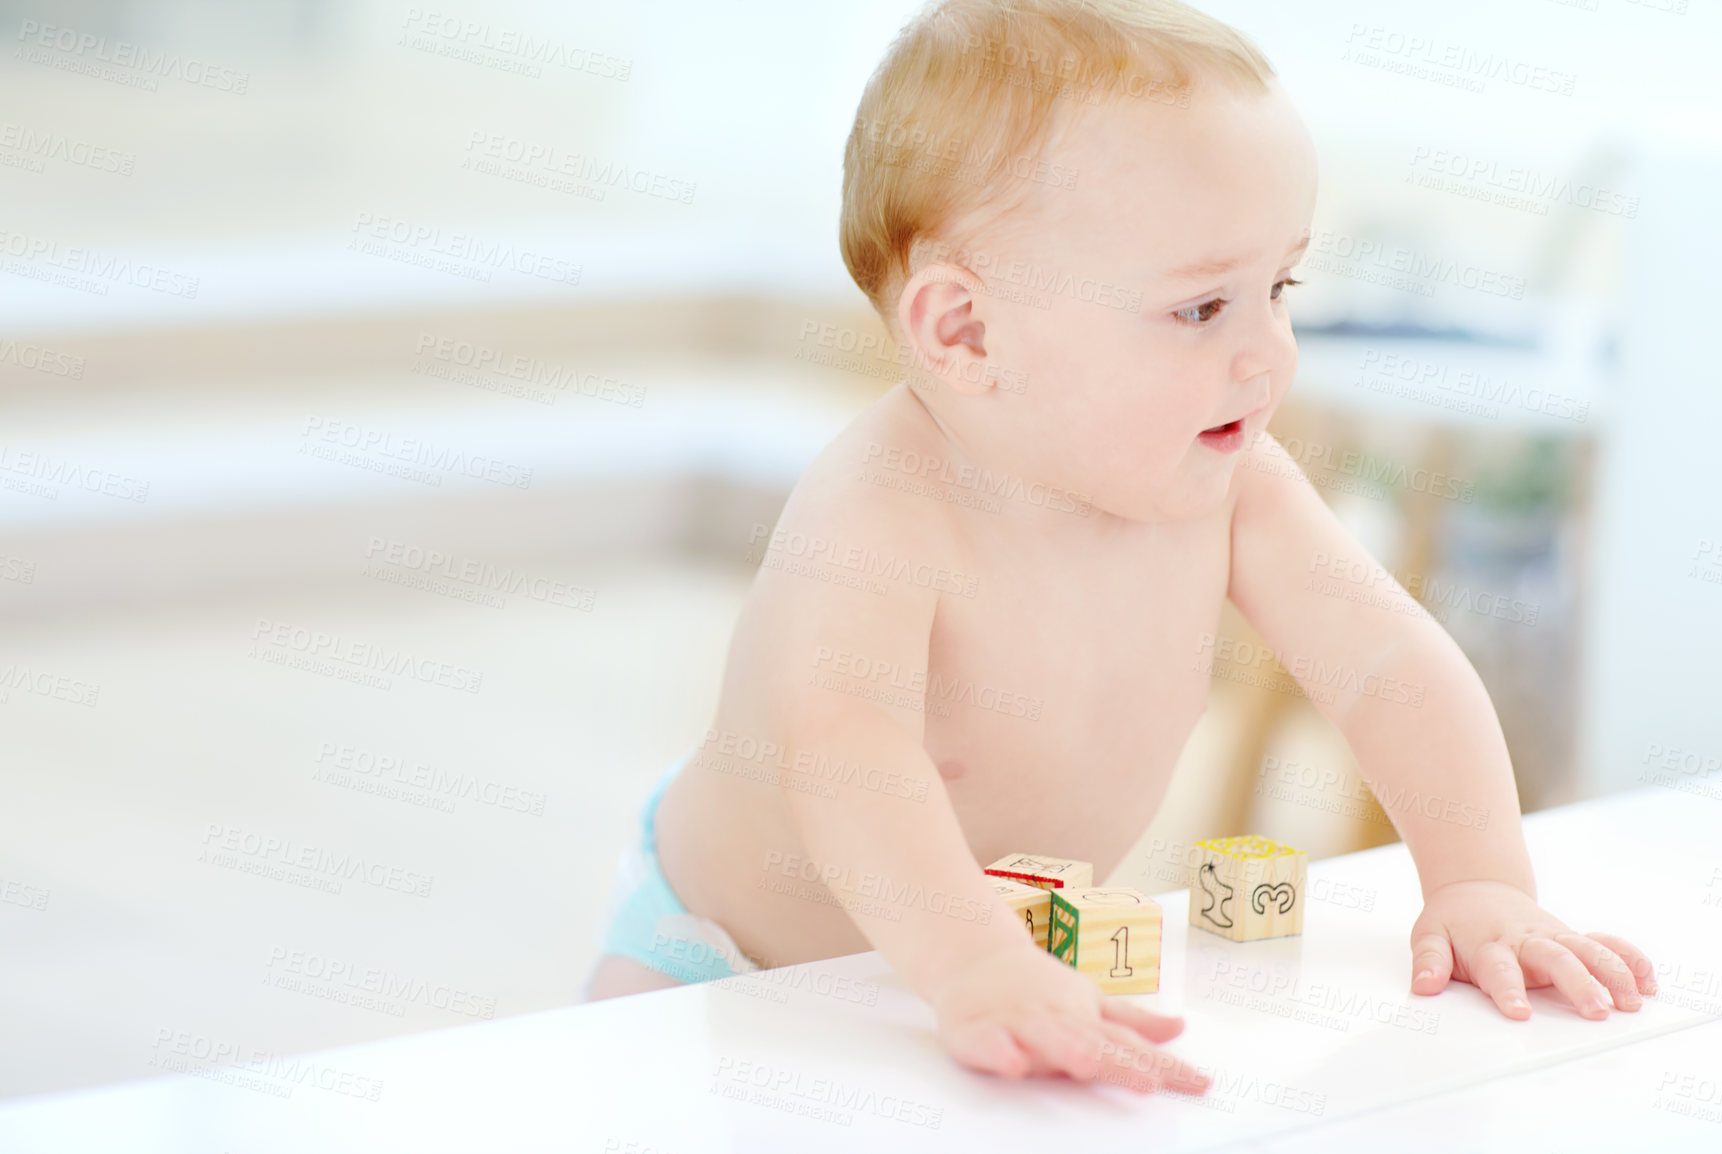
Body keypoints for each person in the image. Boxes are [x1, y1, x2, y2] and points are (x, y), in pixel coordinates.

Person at [583, 0, 1655, 1095]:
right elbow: (842, 747)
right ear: (966, 332)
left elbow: (1385, 662)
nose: (1266, 355)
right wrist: (970, 962)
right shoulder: (881, 505)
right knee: (633, 1106)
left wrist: (1482, 878)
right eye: (1200, 309)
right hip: (725, 952)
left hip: (999, 959)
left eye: (1276, 289)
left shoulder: (1229, 486)